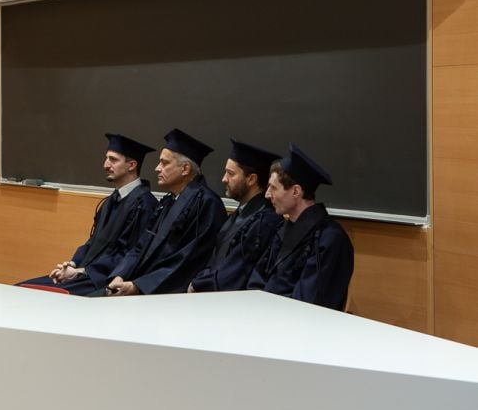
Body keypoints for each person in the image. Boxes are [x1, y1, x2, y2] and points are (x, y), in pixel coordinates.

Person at [18, 133, 157, 295]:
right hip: (86, 273)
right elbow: (93, 241)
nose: (105, 165)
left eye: (113, 160)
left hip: (103, 280)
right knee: (20, 290)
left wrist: (81, 272)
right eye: (106, 158)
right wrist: (72, 264)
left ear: (132, 165)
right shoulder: (111, 200)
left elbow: (128, 255)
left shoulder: (145, 205)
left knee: (44, 299)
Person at [105, 128, 227, 296]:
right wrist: (120, 275)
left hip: (165, 293)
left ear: (185, 169)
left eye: (164, 163)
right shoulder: (169, 200)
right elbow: (141, 246)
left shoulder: (206, 204)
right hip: (139, 283)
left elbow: (186, 260)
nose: (157, 168)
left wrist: (138, 286)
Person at [247, 144, 354, 310]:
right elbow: (257, 280)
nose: (267, 195)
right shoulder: (283, 229)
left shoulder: (330, 239)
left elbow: (309, 301)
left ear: (296, 191)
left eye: (273, 187)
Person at [189, 139, 281, 293]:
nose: (224, 179)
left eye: (230, 174)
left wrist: (198, 285)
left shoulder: (264, 221)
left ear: (251, 179)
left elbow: (234, 274)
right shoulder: (239, 213)